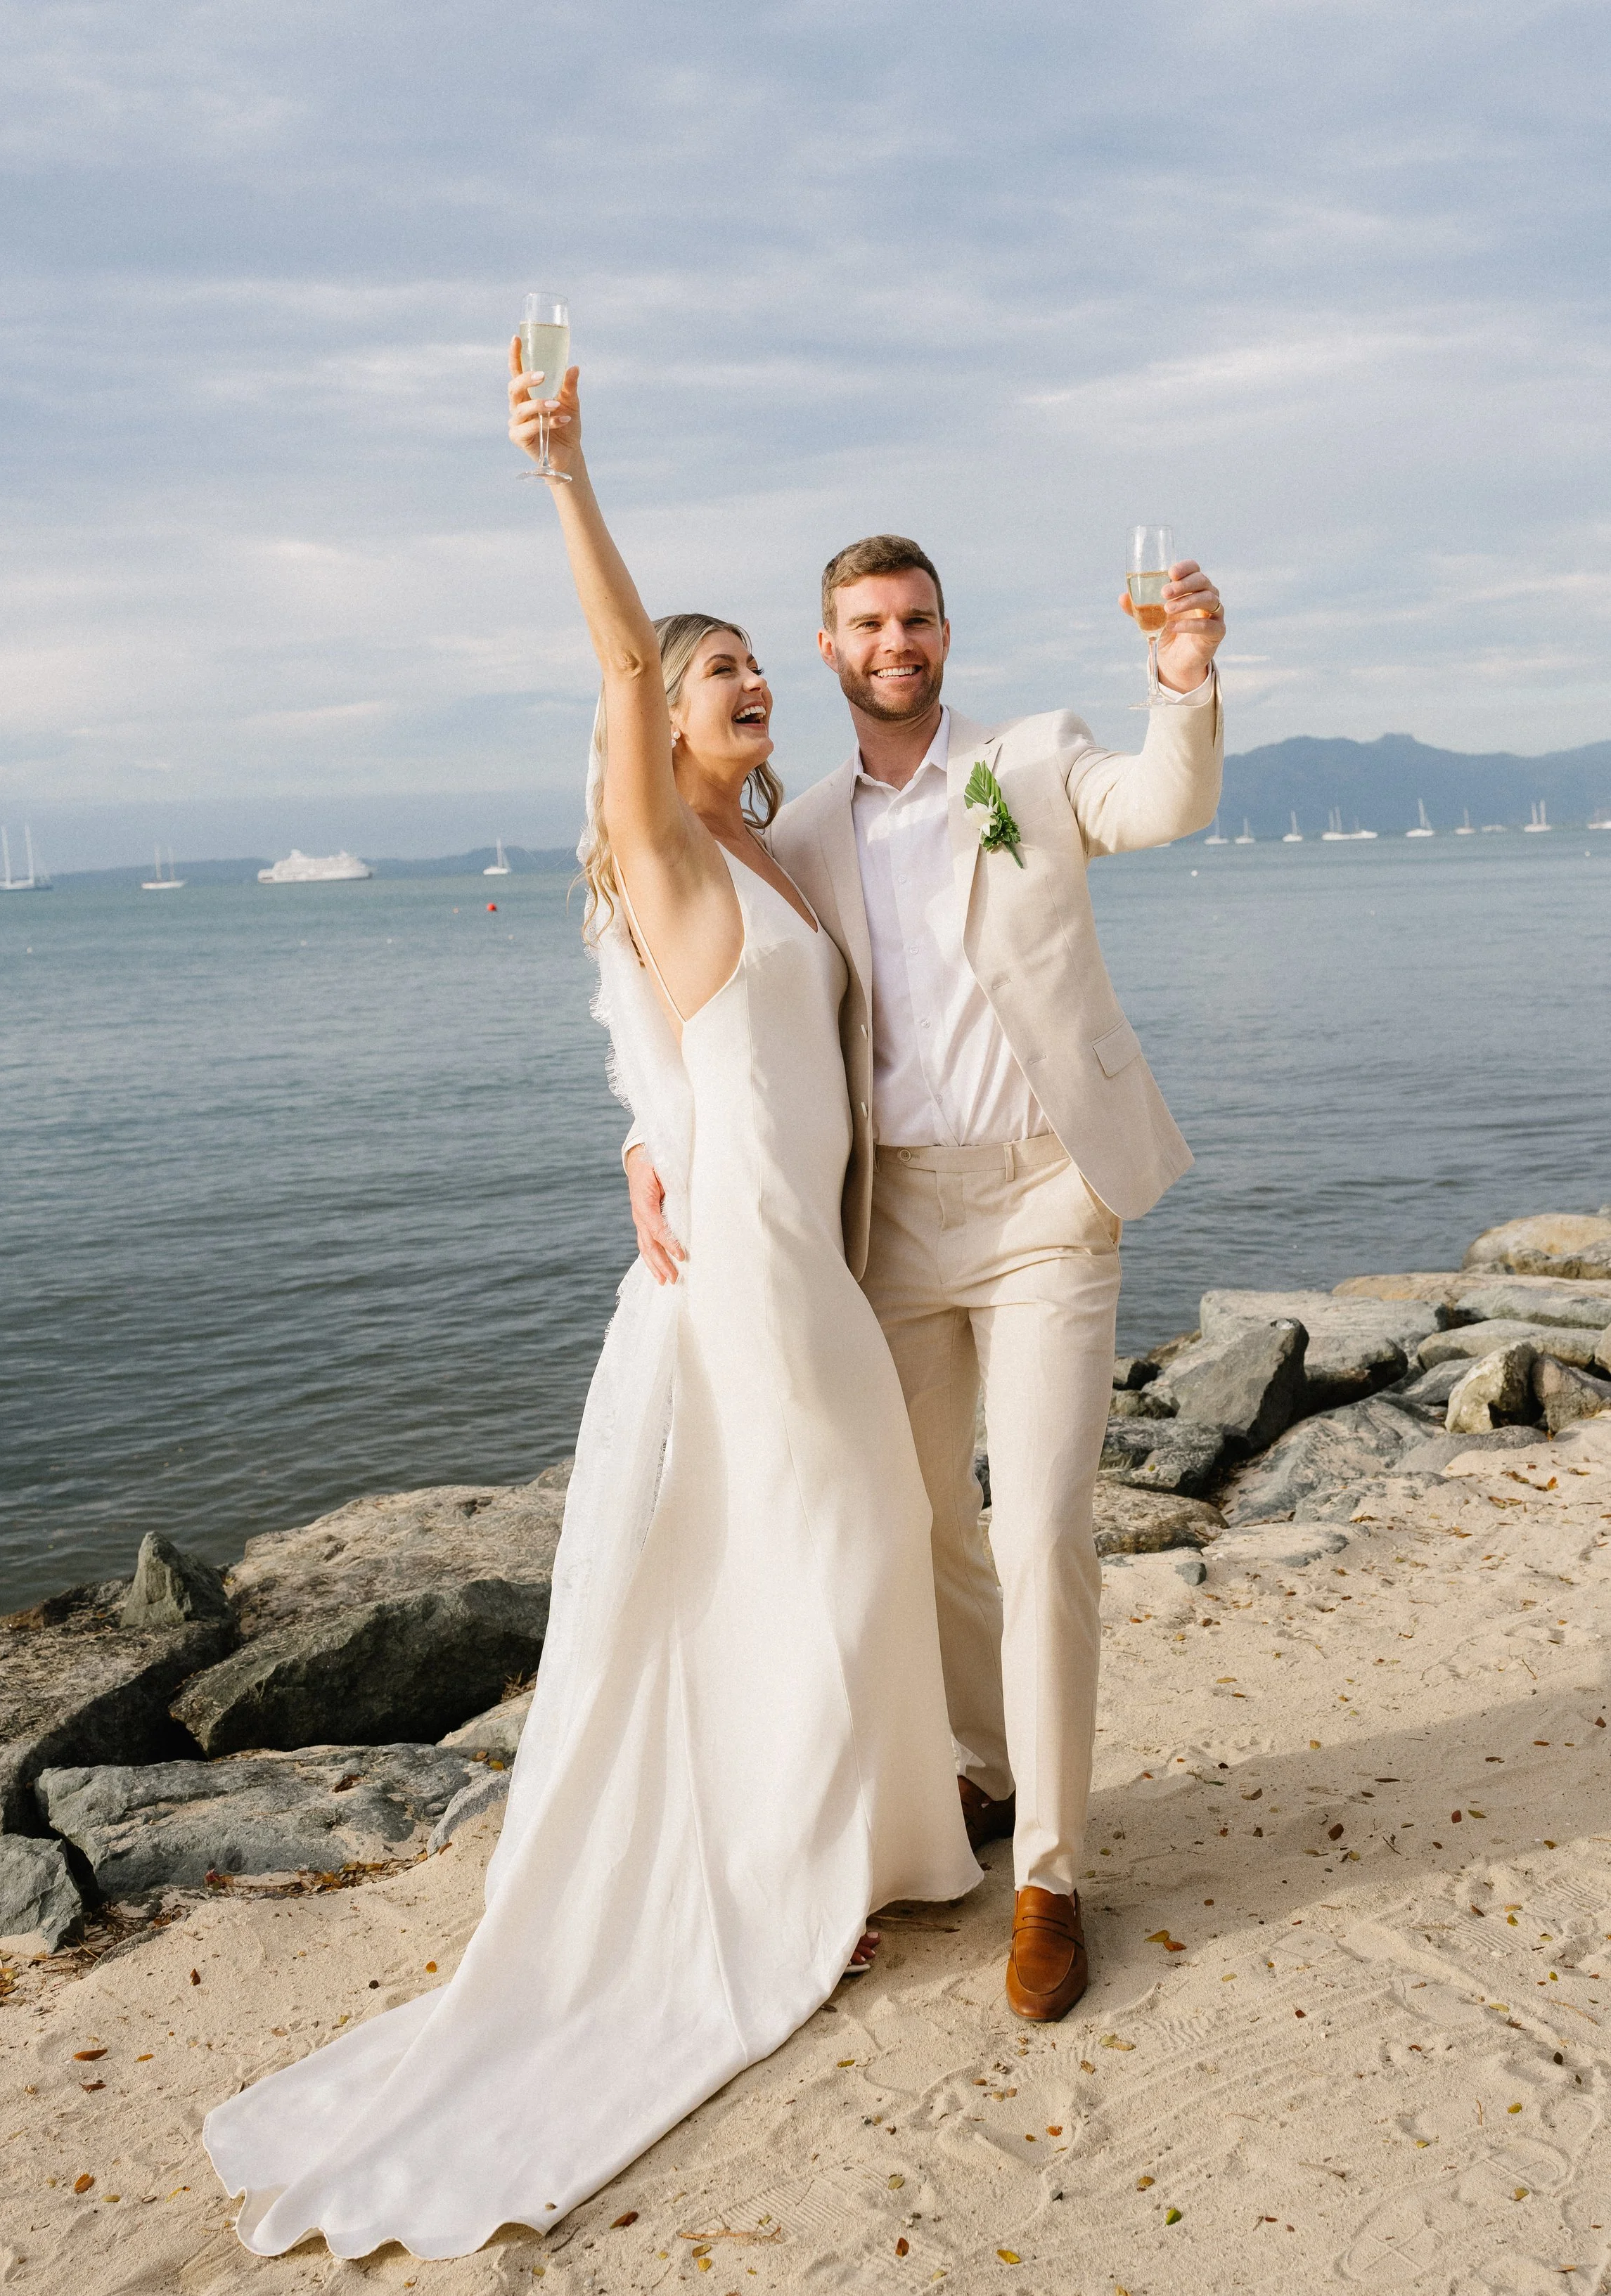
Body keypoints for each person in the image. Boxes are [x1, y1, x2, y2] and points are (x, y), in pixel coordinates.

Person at [200, 353, 980, 2262]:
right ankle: (806, 1877)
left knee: (821, 1550)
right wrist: (568, 479)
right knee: (844, 1540)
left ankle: (861, 1846)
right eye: (731, 673)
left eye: (751, 679)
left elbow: (716, 1050)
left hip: (793, 1246)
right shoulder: (657, 850)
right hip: (749, 1271)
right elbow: (620, 675)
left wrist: (641, 1131)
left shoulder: (758, 860)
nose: (749, 691)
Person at [627, 531, 1224, 2021]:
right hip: (889, 1224)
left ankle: (1051, 1874)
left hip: (1040, 1199)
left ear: (943, 635)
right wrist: (648, 1136)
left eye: (914, 618)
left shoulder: (1031, 761)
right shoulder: (806, 828)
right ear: (827, 652)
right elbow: (711, 993)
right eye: (863, 624)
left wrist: (1181, 685)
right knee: (916, 1527)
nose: (893, 641)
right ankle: (991, 1764)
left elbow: (1160, 803)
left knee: (1036, 1532)